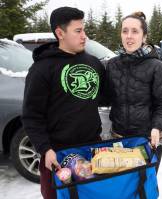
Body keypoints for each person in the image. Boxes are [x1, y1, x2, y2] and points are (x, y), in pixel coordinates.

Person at [22, 7, 106, 199]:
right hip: (58, 155)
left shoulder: (94, 63)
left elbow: (108, 97)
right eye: (78, 31)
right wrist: (45, 149)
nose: (84, 36)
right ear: (60, 33)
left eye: (84, 30)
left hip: (92, 150)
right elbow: (31, 116)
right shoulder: (42, 69)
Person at [105, 11, 162, 171]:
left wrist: (157, 127)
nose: (129, 36)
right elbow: (105, 98)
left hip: (146, 139)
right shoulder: (112, 65)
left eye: (135, 31)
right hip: (118, 137)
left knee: (142, 188)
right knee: (121, 187)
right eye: (125, 31)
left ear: (144, 37)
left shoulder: (156, 66)